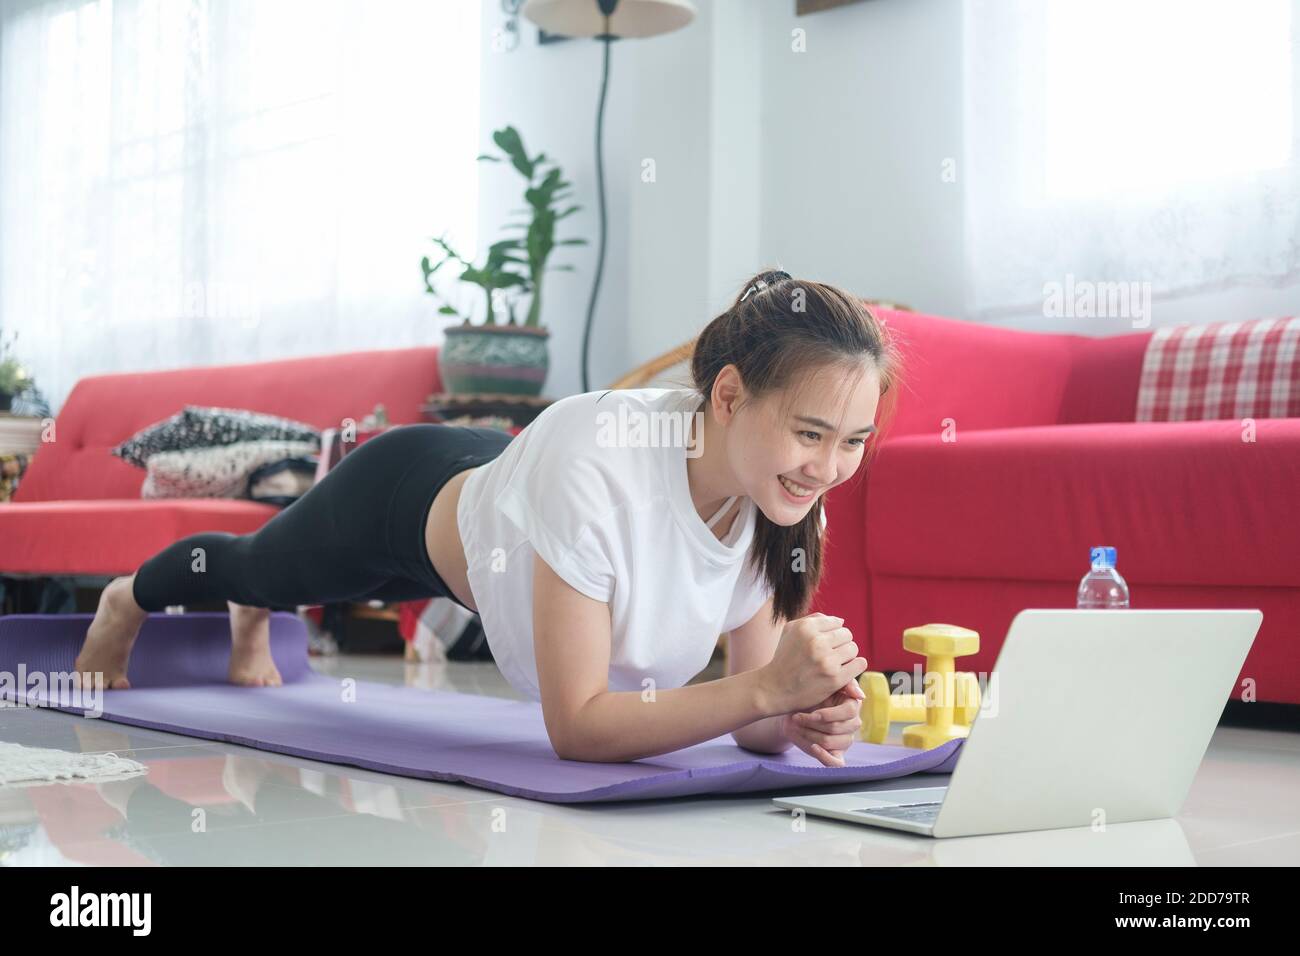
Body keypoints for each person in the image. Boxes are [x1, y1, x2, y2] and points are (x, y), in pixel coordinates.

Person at [74, 268, 900, 767]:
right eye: (811, 434)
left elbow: (754, 722)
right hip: (405, 499)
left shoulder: (782, 495)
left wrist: (793, 714)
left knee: (281, 579)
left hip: (505, 505)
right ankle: (130, 600)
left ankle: (258, 613)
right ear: (728, 397)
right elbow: (577, 726)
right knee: (257, 564)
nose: (828, 468)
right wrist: (759, 689)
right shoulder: (600, 460)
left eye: (853, 442)